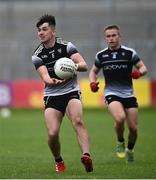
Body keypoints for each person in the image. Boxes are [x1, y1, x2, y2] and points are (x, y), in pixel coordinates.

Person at [32, 14, 93, 173]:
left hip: (71, 90)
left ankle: (87, 156)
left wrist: (73, 66)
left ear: (53, 30)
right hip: (52, 94)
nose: (41, 33)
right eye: (39, 30)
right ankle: (58, 160)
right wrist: (52, 81)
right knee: (52, 133)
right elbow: (45, 76)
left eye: (44, 29)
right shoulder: (37, 55)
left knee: (78, 120)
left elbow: (84, 65)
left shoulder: (67, 46)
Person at [89, 25, 147, 162]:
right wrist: (93, 82)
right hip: (111, 92)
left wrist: (139, 73)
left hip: (129, 95)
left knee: (133, 128)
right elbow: (93, 71)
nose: (111, 38)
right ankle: (120, 141)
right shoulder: (101, 55)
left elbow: (143, 67)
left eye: (113, 35)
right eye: (108, 36)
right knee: (120, 118)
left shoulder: (129, 53)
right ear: (106, 38)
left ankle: (130, 149)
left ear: (119, 36)